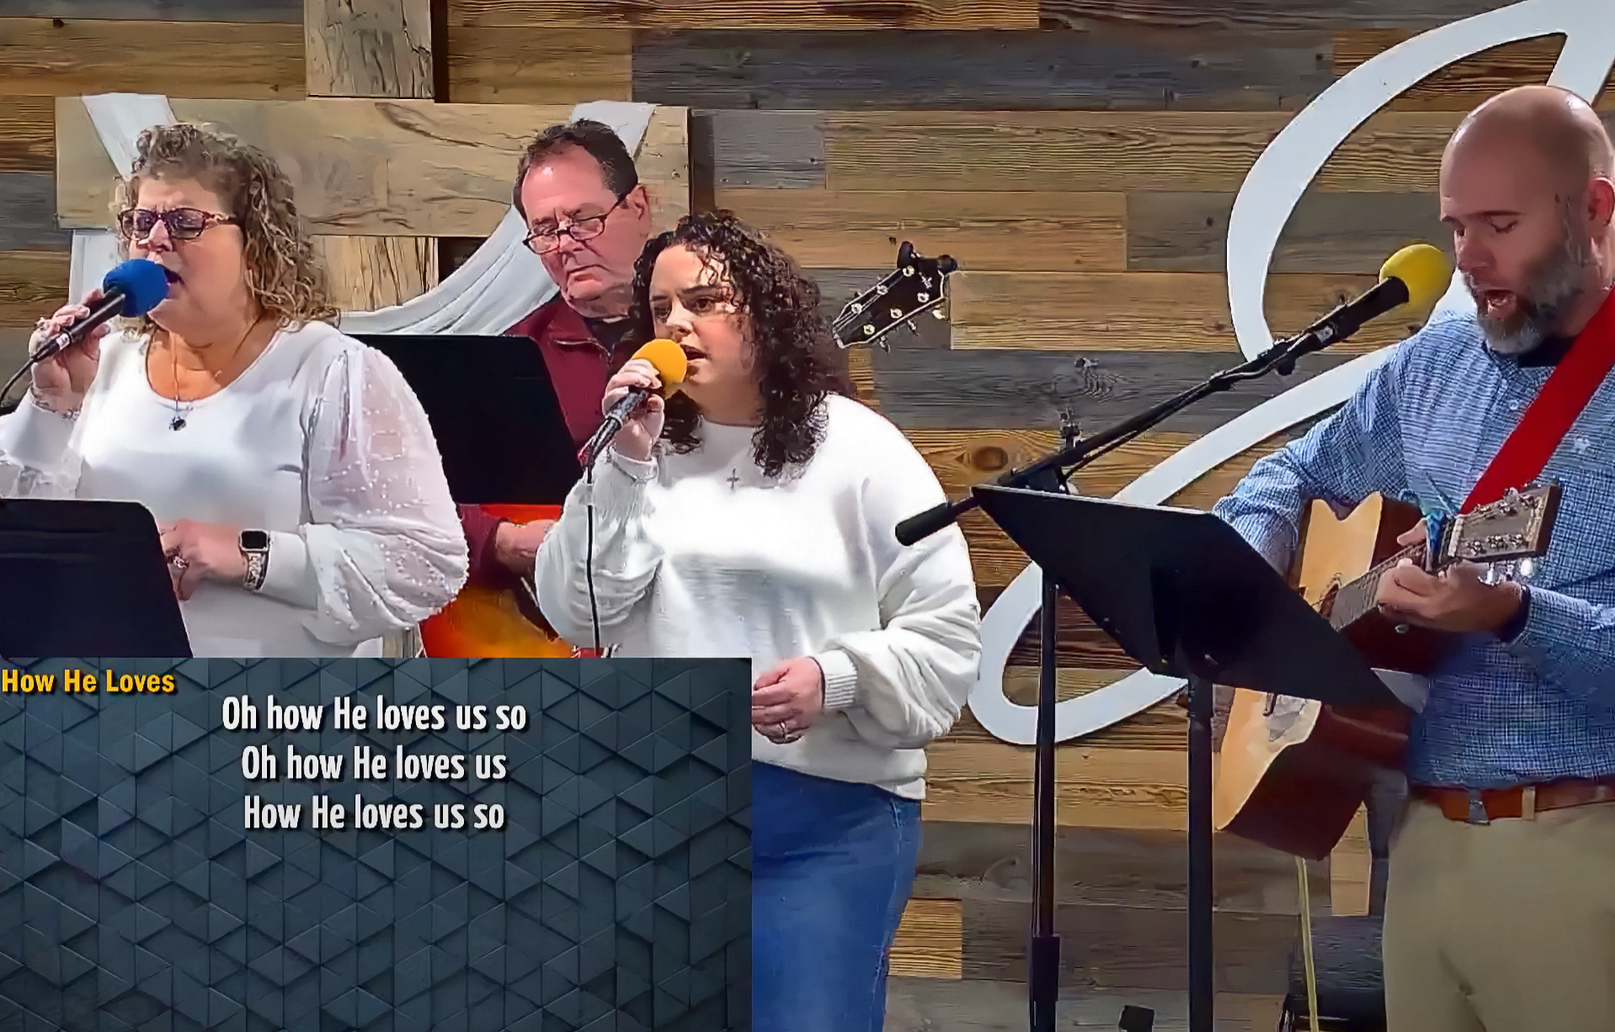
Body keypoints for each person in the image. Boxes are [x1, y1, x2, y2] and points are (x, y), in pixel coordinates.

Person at [1216, 85, 1615, 1032]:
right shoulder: (1437, 366)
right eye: (1454, 228)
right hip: (1430, 847)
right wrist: (1243, 583)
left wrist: (1518, 614)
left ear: (1596, 209)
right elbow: (1293, 476)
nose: (1470, 259)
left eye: (1500, 224)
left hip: (1609, 851)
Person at [532, 211, 980, 1031]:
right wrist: (624, 464)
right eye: (662, 308)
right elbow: (581, 608)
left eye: (704, 300)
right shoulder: (638, 449)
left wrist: (834, 677)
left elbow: (947, 643)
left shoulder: (865, 454)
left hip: (826, 822)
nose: (677, 324)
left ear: (766, 315)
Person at [0, 122, 466, 657]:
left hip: (269, 711)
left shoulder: (332, 371)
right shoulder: (100, 363)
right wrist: (52, 408)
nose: (154, 238)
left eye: (185, 221)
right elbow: (26, 545)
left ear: (255, 244)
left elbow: (424, 563)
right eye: (141, 221)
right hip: (106, 701)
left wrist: (250, 555)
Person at [458, 119, 655, 598]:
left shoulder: (713, 343)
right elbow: (417, 493)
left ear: (638, 206)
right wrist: (499, 541)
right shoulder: (510, 358)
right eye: (545, 230)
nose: (566, 244)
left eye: (584, 218)